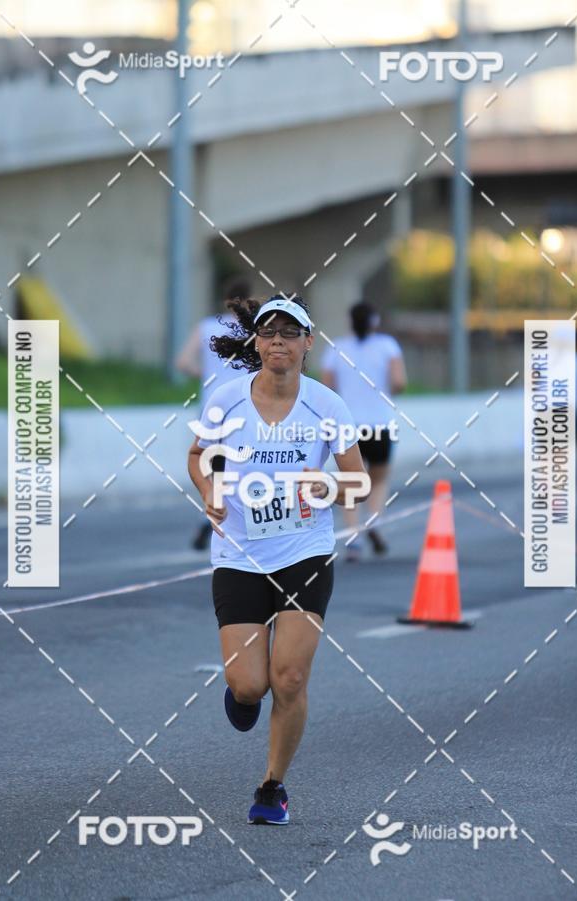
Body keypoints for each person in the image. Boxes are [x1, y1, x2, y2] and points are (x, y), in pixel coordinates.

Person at [187, 294, 368, 825]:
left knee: (288, 679)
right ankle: (242, 695)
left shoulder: (327, 406)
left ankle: (272, 787)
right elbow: (199, 458)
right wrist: (209, 488)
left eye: (290, 334)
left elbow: (357, 485)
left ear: (309, 344)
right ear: (257, 342)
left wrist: (326, 485)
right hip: (239, 554)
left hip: (304, 552)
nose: (278, 343)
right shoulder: (225, 399)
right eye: (269, 333)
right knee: (251, 685)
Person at [321, 301, 407, 561]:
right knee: (378, 479)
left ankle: (353, 536)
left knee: (349, 482)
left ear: (350, 321)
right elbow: (399, 382)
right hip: (380, 425)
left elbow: (327, 389)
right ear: (374, 321)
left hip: (349, 426)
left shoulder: (336, 348)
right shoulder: (387, 346)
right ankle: (373, 522)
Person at [177, 277, 251, 550]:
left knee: (213, 467)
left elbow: (183, 361)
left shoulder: (207, 327)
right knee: (241, 467)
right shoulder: (251, 331)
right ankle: (223, 520)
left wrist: (205, 374)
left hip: (211, 406)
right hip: (243, 406)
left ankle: (208, 516)